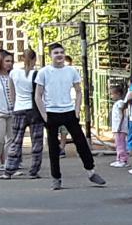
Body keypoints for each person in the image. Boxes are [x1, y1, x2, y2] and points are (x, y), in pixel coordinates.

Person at [35, 42, 107, 191]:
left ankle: (91, 171)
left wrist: (77, 109)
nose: (59, 55)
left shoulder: (71, 70)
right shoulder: (44, 72)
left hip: (68, 111)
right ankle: (56, 178)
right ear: (50, 55)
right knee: (53, 148)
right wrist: (44, 114)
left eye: (61, 52)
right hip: (51, 112)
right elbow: (38, 95)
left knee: (81, 142)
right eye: (56, 53)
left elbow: (79, 91)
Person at [6, 48, 44, 178]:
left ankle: (9, 169)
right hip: (34, 111)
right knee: (37, 142)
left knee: (16, 141)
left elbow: (11, 93)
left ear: (22, 58)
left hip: (18, 110)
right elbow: (40, 95)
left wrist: (14, 106)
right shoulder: (38, 74)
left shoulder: (13, 73)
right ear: (35, 59)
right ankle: (34, 171)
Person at [108, 81, 131, 167]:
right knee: (118, 144)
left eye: (112, 94)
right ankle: (119, 159)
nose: (111, 96)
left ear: (118, 94)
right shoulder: (117, 103)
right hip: (117, 127)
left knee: (120, 144)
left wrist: (119, 126)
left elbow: (122, 115)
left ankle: (123, 160)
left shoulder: (120, 103)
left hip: (120, 128)